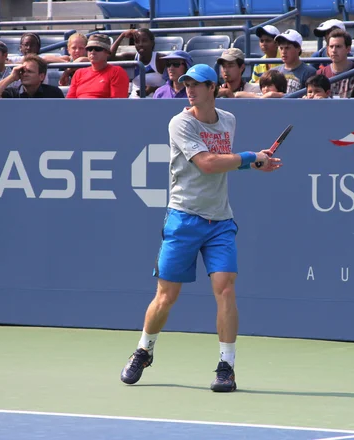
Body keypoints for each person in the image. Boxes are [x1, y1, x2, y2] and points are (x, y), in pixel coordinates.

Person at [119, 63, 281, 392]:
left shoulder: (229, 121)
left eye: (196, 84)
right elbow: (207, 164)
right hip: (183, 219)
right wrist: (252, 157)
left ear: (214, 88)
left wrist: (255, 165)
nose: (189, 89)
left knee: (225, 289)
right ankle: (144, 350)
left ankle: (227, 366)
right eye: (185, 84)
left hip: (220, 221)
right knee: (166, 297)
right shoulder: (180, 122)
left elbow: (224, 164)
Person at [66, 34, 130, 99]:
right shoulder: (79, 73)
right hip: (78, 108)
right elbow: (69, 102)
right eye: (89, 49)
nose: (92, 52)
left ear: (107, 52)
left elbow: (117, 104)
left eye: (97, 49)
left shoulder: (116, 72)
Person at [110, 28, 166, 98]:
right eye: (137, 41)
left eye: (144, 41)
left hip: (156, 102)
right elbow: (110, 57)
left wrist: (153, 89)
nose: (140, 44)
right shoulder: (132, 58)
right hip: (134, 102)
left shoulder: (160, 59)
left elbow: (173, 85)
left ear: (152, 43)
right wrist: (122, 35)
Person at [317, 30, 354, 98]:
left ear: (348, 49)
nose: (334, 50)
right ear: (327, 49)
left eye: (338, 46)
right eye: (331, 47)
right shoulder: (320, 74)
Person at [0, 54, 64, 99]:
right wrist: (12, 77)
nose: (25, 74)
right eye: (22, 71)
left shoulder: (54, 93)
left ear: (41, 76)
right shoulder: (12, 94)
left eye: (29, 71)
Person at [273, 29, 317, 94]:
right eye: (281, 48)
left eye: (287, 48)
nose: (283, 52)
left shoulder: (309, 72)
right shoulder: (274, 72)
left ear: (298, 49)